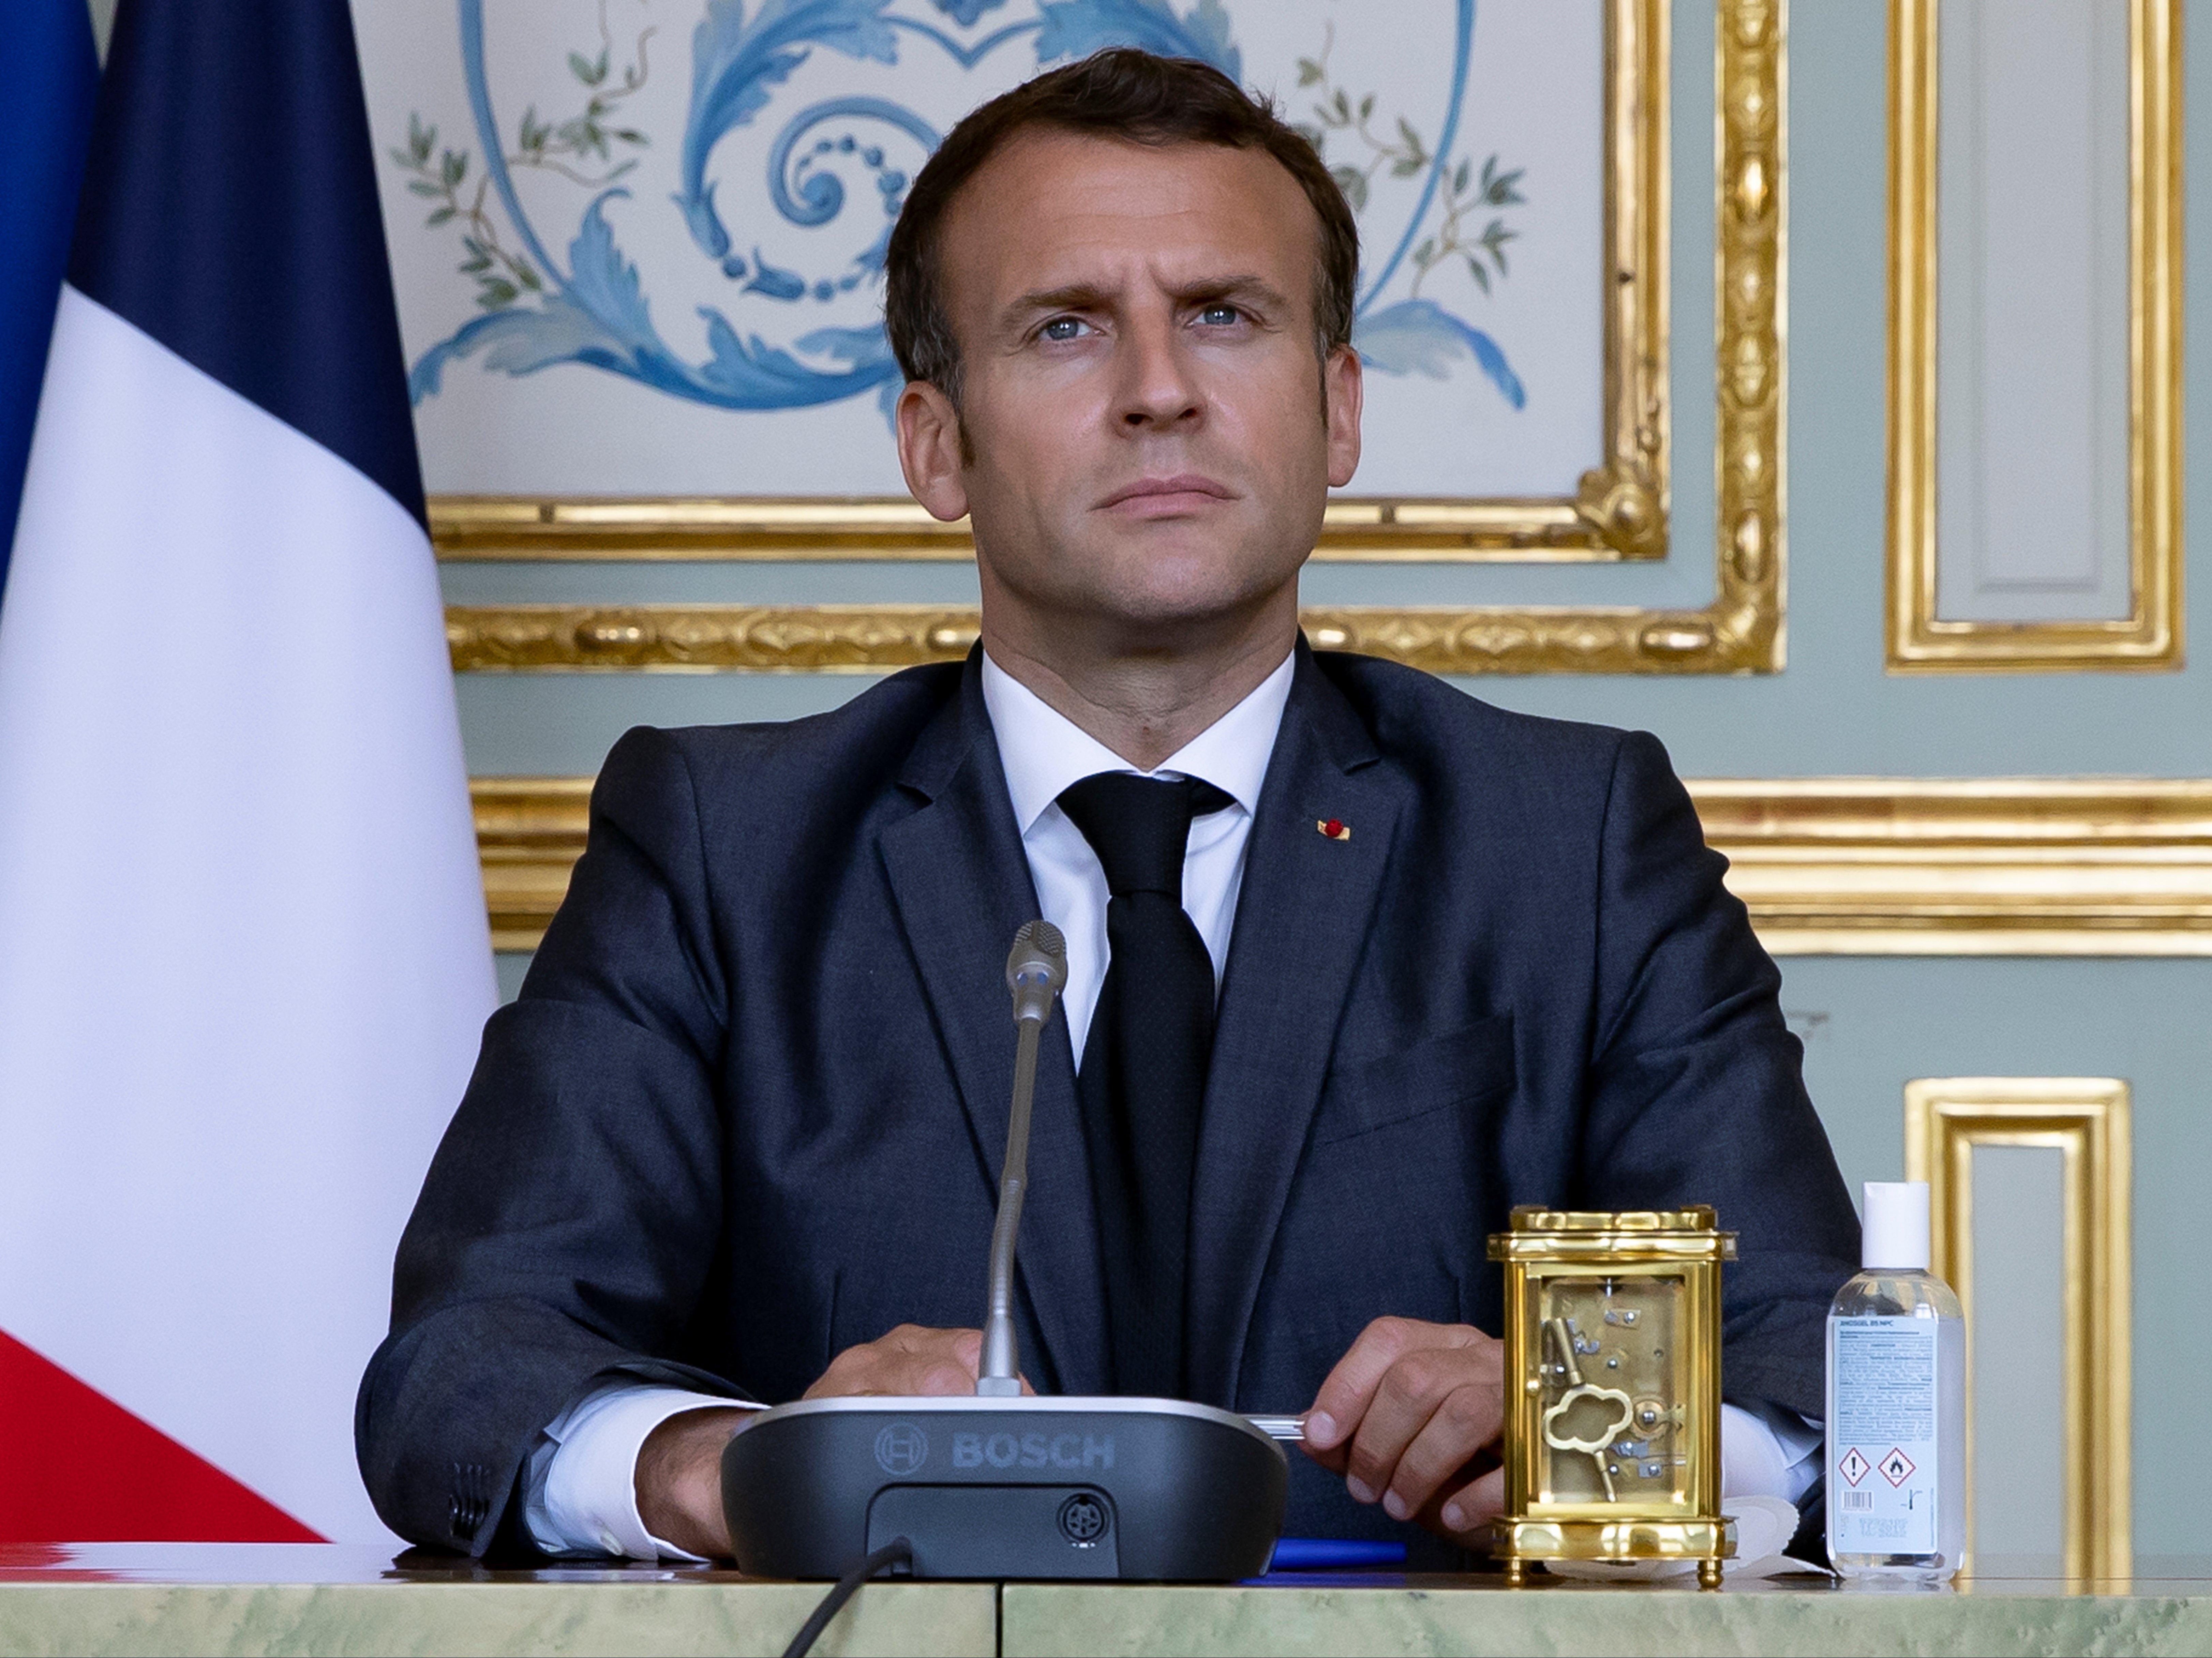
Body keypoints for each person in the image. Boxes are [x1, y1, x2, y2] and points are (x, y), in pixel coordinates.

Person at [357, 49, 1858, 1566]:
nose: (1158, 391)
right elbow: (464, 1370)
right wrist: (737, 1466)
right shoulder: (721, 847)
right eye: (1066, 327)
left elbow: (1804, 1361)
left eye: (1222, 314)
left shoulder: (1572, 837)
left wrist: (1582, 1421)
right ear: (934, 444)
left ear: (1335, 413)